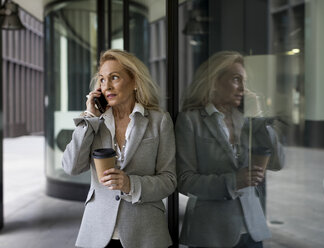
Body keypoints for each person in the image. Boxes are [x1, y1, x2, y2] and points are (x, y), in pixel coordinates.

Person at [62, 49, 177, 248]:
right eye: (102, 79)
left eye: (114, 77)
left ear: (134, 82)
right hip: (96, 234)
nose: (107, 86)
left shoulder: (159, 121)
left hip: (146, 235)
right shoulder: (93, 122)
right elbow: (71, 167)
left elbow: (169, 180)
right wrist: (89, 118)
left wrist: (130, 184)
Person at [176, 51, 282, 247]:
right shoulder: (190, 121)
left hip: (252, 230)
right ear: (214, 82)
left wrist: (257, 117)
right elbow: (184, 180)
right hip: (211, 232)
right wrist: (233, 181)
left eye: (244, 81)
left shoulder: (246, 119)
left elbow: (277, 161)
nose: (243, 88)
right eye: (236, 79)